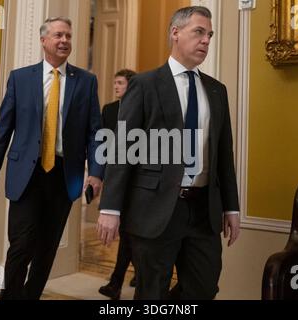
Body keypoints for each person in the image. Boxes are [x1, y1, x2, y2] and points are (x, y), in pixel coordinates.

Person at [97, 6, 240, 300]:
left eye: (209, 35)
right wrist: (110, 208)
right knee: (151, 292)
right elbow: (123, 149)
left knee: (204, 287)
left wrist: (232, 207)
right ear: (175, 33)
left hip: (203, 210)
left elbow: (224, 154)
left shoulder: (216, 90)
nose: (206, 41)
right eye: (199, 32)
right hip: (154, 209)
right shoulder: (144, 84)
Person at [0, 17, 103, 300]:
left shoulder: (85, 81)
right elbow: (3, 128)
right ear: (44, 40)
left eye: (69, 36)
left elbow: (95, 132)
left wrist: (95, 172)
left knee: (47, 249)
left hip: (63, 174)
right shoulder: (20, 78)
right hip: (26, 174)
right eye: (59, 35)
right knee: (21, 245)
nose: (65, 41)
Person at [98, 69, 137, 300]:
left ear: (130, 86)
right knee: (129, 231)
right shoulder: (109, 110)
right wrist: (100, 176)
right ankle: (122, 280)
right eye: (115, 83)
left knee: (130, 231)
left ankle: (116, 282)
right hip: (115, 176)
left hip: (137, 180)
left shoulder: (144, 107)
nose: (116, 87)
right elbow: (103, 144)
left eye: (120, 83)